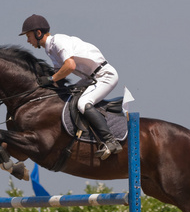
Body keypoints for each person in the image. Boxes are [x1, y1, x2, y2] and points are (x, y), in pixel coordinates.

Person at [19, 14, 122, 160]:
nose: (27, 40)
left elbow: (70, 65)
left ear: (38, 33)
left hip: (105, 76)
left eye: (28, 36)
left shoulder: (58, 41)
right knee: (69, 95)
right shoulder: (50, 50)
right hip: (90, 78)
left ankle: (110, 141)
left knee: (83, 104)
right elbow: (58, 76)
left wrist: (50, 79)